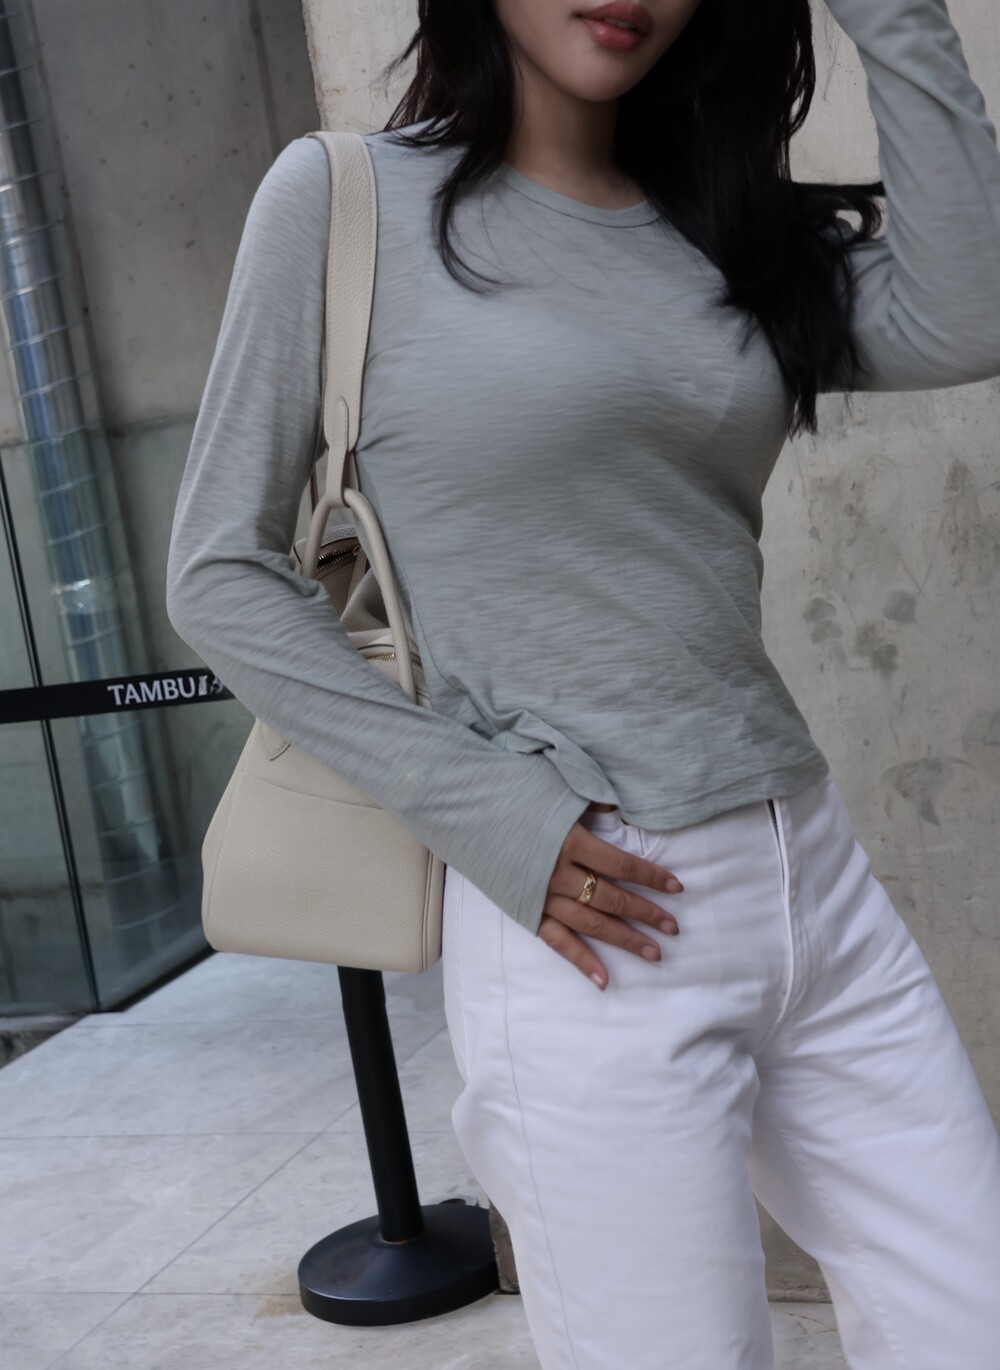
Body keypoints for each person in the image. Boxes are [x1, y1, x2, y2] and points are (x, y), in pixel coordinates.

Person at [165, 0, 1000, 1365]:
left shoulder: (718, 228)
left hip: (812, 876)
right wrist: (492, 814)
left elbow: (973, 308)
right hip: (592, 920)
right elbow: (219, 571)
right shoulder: (344, 200)